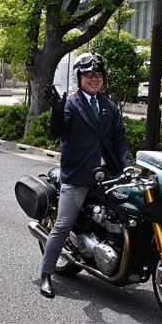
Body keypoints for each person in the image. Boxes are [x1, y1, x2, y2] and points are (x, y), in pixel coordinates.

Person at [38, 52, 132, 299]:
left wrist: (128, 167)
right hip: (78, 173)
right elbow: (57, 132)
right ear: (79, 78)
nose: (94, 79)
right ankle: (46, 274)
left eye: (98, 75)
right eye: (88, 75)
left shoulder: (109, 106)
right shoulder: (71, 103)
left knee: (124, 215)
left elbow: (119, 141)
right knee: (63, 225)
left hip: (108, 174)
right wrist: (57, 110)